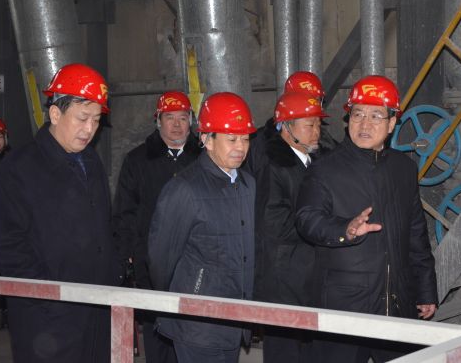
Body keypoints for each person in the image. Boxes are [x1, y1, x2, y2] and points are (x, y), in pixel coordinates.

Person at [296, 75, 437, 362]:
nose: (365, 124)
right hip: (345, 306)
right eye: (358, 114)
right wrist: (344, 229)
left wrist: (425, 290)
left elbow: (416, 234)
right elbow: (307, 219)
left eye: (376, 116)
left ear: (392, 123)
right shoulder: (325, 168)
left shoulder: (403, 169)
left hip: (396, 302)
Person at [0, 63, 121, 363]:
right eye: (82, 118)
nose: (90, 129)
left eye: (96, 120)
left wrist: (113, 273)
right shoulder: (20, 167)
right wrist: (48, 298)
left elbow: (103, 226)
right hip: (47, 321)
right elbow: (9, 245)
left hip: (96, 309)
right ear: (55, 114)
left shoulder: (91, 162)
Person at [148, 92, 256, 363]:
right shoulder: (184, 188)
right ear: (207, 139)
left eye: (245, 139)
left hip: (234, 318)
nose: (241, 147)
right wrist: (184, 298)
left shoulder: (247, 185)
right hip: (198, 323)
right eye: (232, 139)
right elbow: (161, 259)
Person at [113, 90, 200, 363]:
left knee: (190, 333)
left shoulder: (203, 158)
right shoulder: (137, 160)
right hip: (150, 263)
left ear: (191, 121)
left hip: (194, 261)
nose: (176, 124)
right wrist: (128, 254)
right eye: (169, 118)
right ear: (158, 121)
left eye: (182, 118)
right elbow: (125, 211)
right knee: (157, 334)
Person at [255, 92, 328, 363]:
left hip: (309, 274)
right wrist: (321, 227)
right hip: (284, 278)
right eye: (309, 125)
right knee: (284, 352)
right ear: (286, 128)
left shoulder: (315, 162)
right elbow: (272, 223)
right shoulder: (274, 165)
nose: (317, 131)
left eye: (318, 124)